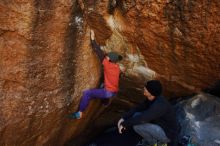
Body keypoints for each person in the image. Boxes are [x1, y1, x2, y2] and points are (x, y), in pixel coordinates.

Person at [69, 30, 123, 119]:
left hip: (108, 92)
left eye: (107, 57)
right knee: (102, 84)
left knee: (87, 94)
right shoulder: (117, 67)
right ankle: (105, 102)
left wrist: (93, 39)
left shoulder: (107, 65)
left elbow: (99, 53)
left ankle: (79, 113)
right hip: (114, 91)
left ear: (109, 60)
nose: (106, 56)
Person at [117, 80, 179, 146]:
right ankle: (155, 140)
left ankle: (155, 143)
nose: (144, 88)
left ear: (151, 92)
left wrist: (124, 124)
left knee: (137, 126)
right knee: (136, 115)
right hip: (159, 124)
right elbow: (137, 108)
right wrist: (123, 118)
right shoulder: (151, 98)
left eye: (146, 88)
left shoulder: (159, 105)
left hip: (167, 134)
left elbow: (142, 118)